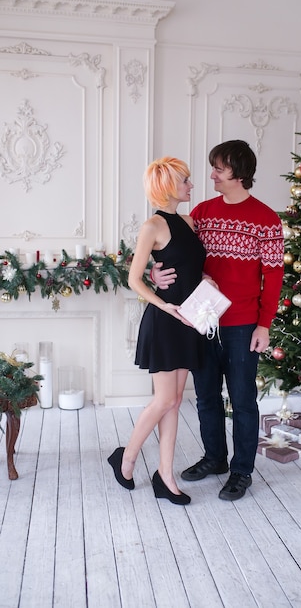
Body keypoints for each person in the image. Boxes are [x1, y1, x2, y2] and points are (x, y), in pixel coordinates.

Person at [153, 140, 284, 501]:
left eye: (219, 168)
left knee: (242, 399)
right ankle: (215, 458)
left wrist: (265, 324)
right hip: (202, 319)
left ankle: (242, 470)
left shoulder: (267, 219)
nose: (211, 174)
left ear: (239, 173)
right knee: (207, 396)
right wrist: (155, 273)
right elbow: (175, 252)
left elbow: (273, 276)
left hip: (243, 324)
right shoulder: (203, 212)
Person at [108, 156, 206, 505]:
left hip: (189, 321)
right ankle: (127, 458)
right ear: (168, 186)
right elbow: (134, 278)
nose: (191, 185)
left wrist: (205, 285)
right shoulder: (152, 225)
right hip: (166, 320)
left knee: (176, 400)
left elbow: (192, 269)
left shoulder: (189, 222)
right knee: (165, 398)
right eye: (185, 181)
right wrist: (165, 304)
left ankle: (165, 475)